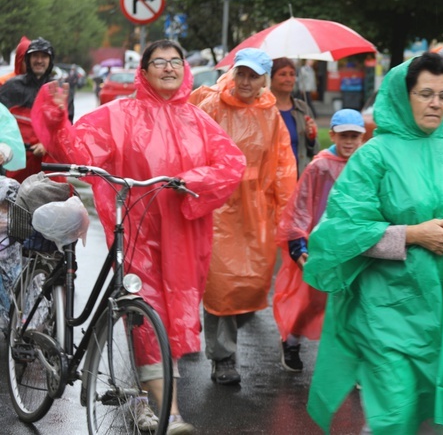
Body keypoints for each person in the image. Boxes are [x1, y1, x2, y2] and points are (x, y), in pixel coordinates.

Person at [31, 39, 246, 434]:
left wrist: (192, 180)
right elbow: (79, 150)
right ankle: (173, 414)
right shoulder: (119, 115)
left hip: (183, 236)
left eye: (175, 61)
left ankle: (151, 402)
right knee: (150, 315)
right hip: (137, 228)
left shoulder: (199, 121)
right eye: (159, 62)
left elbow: (231, 163)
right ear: (143, 72)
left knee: (174, 320)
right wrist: (57, 118)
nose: (168, 67)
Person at [302, 52, 443, 434]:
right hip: (387, 308)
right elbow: (343, 232)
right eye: (425, 93)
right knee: (394, 413)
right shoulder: (373, 156)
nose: (435, 103)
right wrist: (414, 234)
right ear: (404, 96)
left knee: (432, 414)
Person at [191, 48, 296, 385]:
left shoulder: (270, 114)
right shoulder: (212, 106)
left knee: (249, 283)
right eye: (242, 73)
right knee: (220, 283)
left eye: (253, 75)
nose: (246, 81)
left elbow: (283, 165)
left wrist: (285, 211)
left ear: (264, 79)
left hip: (255, 209)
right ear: (233, 73)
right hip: (218, 205)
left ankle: (224, 338)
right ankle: (223, 357)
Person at [273, 108, 366, 372]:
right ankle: (291, 339)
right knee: (311, 299)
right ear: (333, 135)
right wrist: (297, 244)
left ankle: (354, 359)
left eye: (354, 136)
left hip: (351, 245)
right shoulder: (320, 166)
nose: (349, 141)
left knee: (353, 300)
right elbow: (300, 205)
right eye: (344, 135)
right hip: (319, 244)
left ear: (362, 138)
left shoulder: (365, 165)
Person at [0, 37, 71, 183]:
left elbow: (67, 131)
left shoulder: (58, 91)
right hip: (16, 164)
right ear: (27, 59)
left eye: (44, 56)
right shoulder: (11, 87)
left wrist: (47, 145)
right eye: (35, 56)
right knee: (12, 202)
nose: (39, 60)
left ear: (50, 61)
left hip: (49, 165)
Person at [269, 57, 319, 176]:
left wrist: (311, 138)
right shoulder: (264, 109)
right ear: (270, 79)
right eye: (283, 74)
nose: (289, 79)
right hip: (272, 179)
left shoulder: (303, 108)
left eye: (292, 74)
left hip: (299, 178)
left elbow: (315, 151)